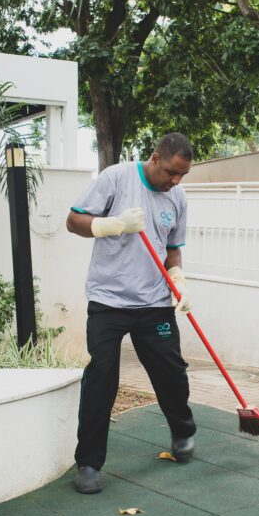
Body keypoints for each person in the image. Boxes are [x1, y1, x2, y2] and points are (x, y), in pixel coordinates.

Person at [65, 132, 197, 494]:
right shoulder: (116, 178)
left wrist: (178, 279)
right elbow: (73, 221)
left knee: (171, 372)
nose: (175, 181)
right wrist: (112, 225)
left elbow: (173, 249)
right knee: (102, 376)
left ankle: (183, 430)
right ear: (155, 158)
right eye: (171, 172)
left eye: (182, 175)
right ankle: (89, 463)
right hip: (108, 299)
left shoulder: (178, 196)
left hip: (154, 302)